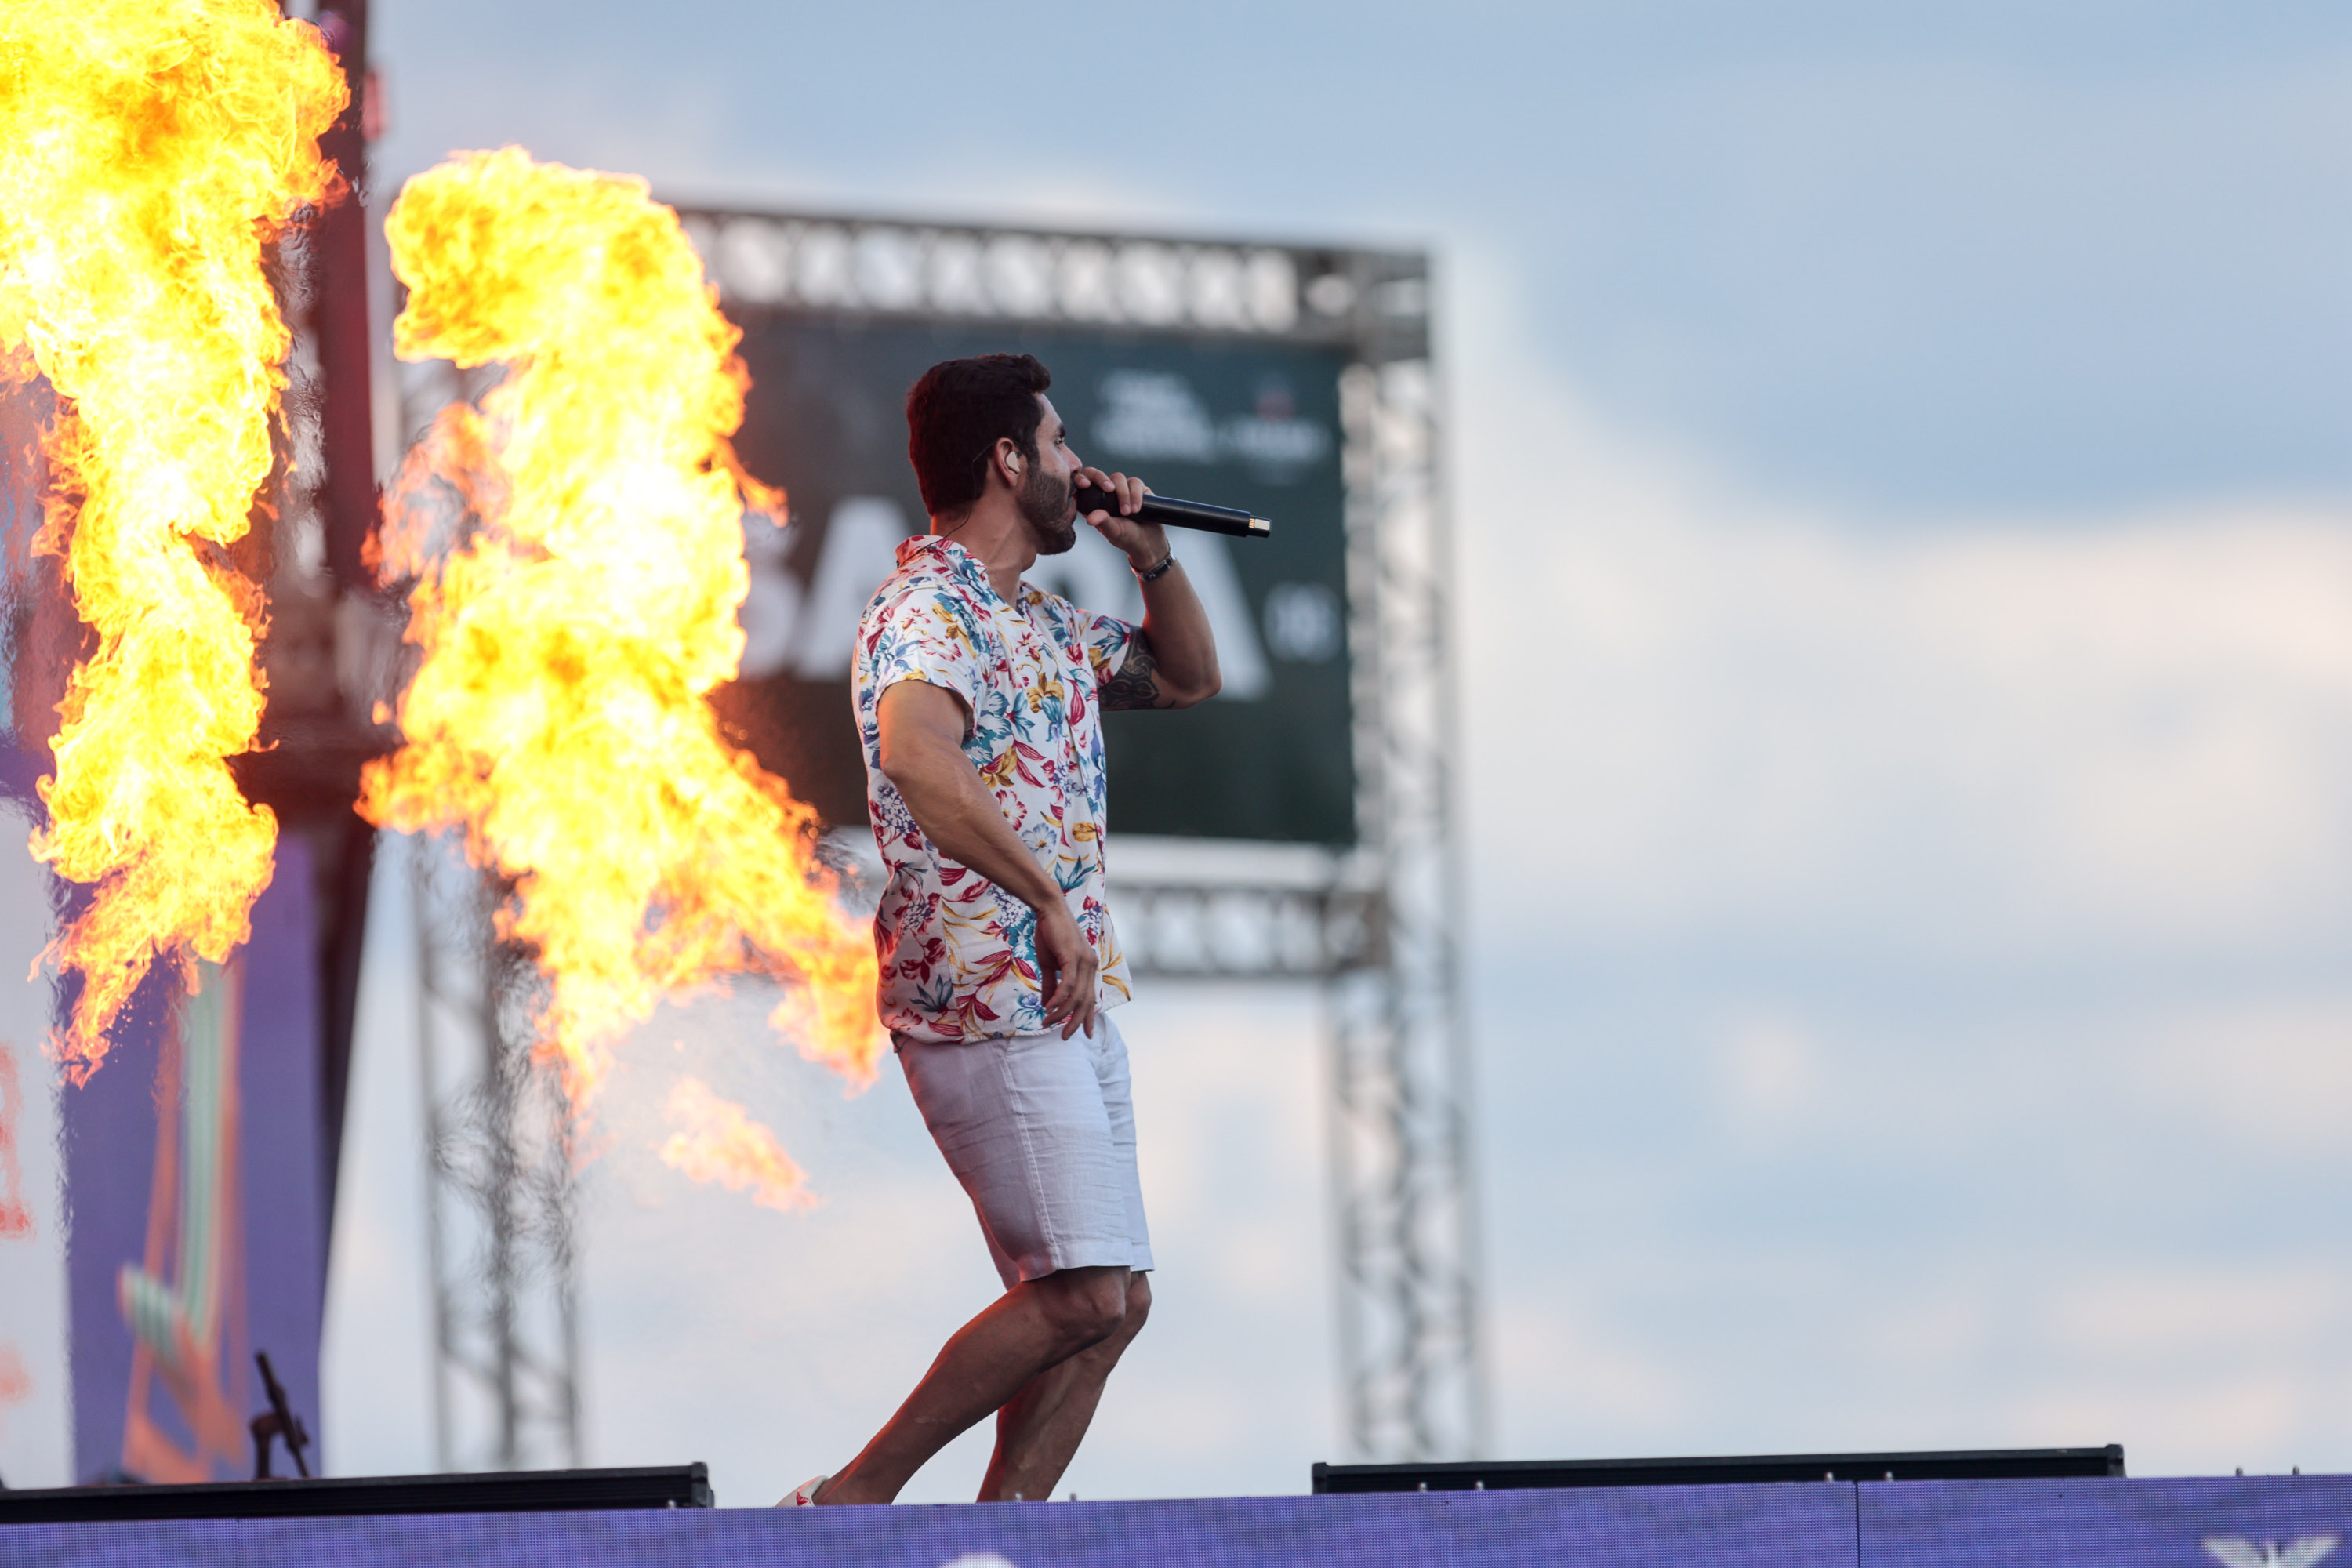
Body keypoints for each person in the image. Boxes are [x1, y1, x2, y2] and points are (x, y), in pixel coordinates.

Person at [787, 354, 1221, 1507]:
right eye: (1063, 444)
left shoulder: (1041, 621)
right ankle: (847, 1505)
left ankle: (1008, 1534)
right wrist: (1043, 898)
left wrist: (1156, 557)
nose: (1083, 468)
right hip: (981, 993)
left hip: (1064, 996)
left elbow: (1186, 680)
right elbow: (922, 761)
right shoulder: (927, 610)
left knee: (1117, 1302)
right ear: (1010, 460)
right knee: (1079, 1290)